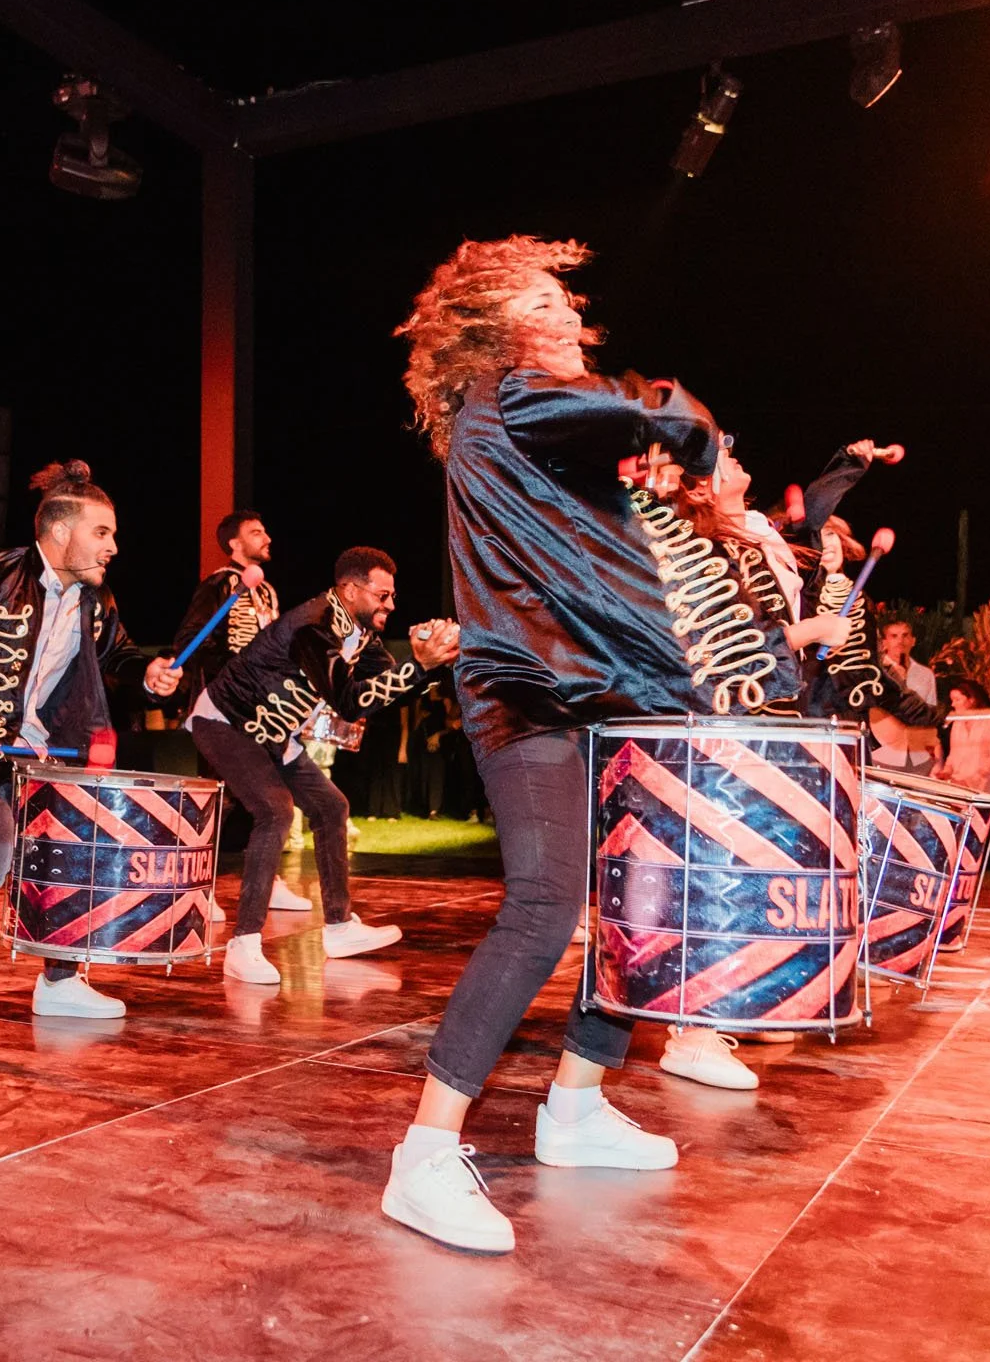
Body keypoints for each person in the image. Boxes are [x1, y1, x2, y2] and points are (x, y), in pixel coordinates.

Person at [382, 234, 809, 1255]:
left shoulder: (529, 428)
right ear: (500, 324)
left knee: (635, 901)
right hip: (528, 694)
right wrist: (688, 436)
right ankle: (425, 1152)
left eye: (568, 303)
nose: (573, 318)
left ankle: (576, 1102)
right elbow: (640, 420)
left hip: (590, 693)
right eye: (547, 303)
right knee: (543, 900)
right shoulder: (511, 396)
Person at [0, 461, 182, 1059]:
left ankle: (60, 981)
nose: (114, 547)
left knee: (65, 855)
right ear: (59, 530)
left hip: (33, 748)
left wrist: (145, 670)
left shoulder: (93, 598)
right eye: (102, 533)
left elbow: (114, 653)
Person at [186, 547, 461, 984]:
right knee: (274, 809)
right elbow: (349, 702)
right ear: (351, 590)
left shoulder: (359, 632)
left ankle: (338, 927)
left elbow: (386, 691)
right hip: (227, 722)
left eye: (392, 597)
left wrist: (423, 659)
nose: (390, 604)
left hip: (276, 734)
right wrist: (418, 666)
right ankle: (243, 945)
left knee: (331, 808)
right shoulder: (311, 628)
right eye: (383, 595)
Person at [168, 511, 310, 913]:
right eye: (255, 532)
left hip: (260, 709)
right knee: (218, 797)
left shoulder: (267, 591)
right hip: (225, 709)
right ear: (234, 544)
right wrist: (233, 675)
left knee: (271, 794)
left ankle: (268, 882)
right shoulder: (219, 583)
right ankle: (195, 889)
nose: (266, 537)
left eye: (265, 530)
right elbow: (190, 638)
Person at [875, 621, 941, 775]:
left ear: (913, 641)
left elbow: (930, 714)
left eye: (905, 636)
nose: (900, 641)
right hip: (884, 754)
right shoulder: (876, 673)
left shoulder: (925, 675)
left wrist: (935, 753)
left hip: (919, 754)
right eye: (894, 636)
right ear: (884, 642)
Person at [936, 677, 990, 796]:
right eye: (952, 700)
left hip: (986, 788)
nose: (953, 704)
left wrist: (972, 780)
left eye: (957, 700)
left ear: (971, 700)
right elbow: (954, 754)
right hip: (959, 786)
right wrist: (946, 771)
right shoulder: (957, 723)